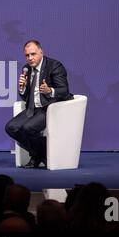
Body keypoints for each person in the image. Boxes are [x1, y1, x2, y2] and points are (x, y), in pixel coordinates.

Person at [5, 40, 72, 169]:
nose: (30, 58)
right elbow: (26, 97)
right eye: (27, 55)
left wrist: (50, 90)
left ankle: (36, 157)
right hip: (32, 108)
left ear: (41, 52)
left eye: (33, 54)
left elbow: (64, 91)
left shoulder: (54, 66)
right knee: (11, 127)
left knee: (28, 128)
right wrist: (22, 88)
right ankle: (43, 152)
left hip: (49, 108)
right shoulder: (27, 69)